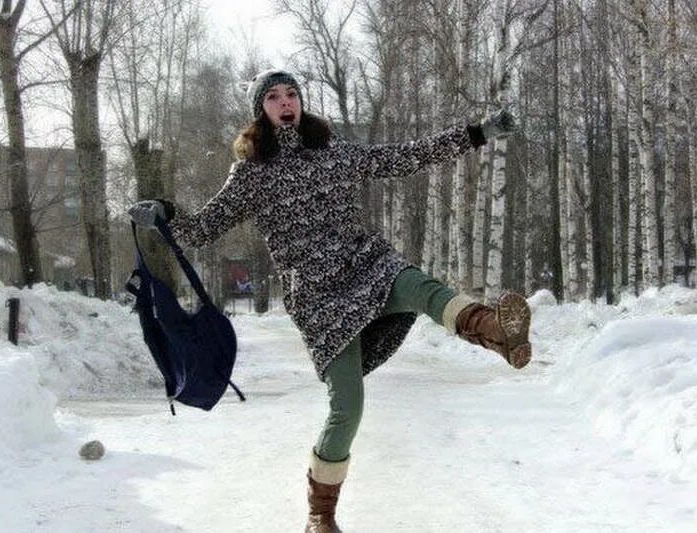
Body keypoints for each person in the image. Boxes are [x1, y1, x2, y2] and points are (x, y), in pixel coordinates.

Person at [128, 69, 532, 533]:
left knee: (419, 286)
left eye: (292, 94)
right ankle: (320, 516)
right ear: (260, 109)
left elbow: (404, 157)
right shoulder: (253, 173)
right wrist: (165, 212)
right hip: (319, 298)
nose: (286, 102)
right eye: (274, 96)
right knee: (348, 407)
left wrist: (477, 133)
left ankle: (493, 330)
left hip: (366, 263)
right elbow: (202, 229)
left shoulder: (334, 152)